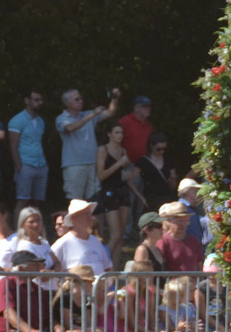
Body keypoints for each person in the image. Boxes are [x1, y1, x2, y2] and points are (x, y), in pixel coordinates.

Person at [54, 87, 122, 202]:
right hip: (74, 165)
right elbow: (70, 128)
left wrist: (115, 98)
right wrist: (92, 115)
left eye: (81, 98)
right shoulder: (62, 118)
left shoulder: (87, 114)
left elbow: (111, 112)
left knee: (93, 200)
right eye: (77, 99)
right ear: (67, 103)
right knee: (76, 201)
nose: (81, 101)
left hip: (92, 164)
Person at [94, 122, 137, 255]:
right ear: (109, 134)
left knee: (121, 235)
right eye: (117, 133)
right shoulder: (103, 150)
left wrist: (126, 174)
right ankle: (103, 262)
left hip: (122, 191)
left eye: (121, 133)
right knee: (115, 234)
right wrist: (119, 163)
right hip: (109, 192)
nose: (120, 136)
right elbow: (101, 175)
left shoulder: (123, 151)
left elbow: (123, 173)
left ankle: (115, 270)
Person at [7, 89, 48, 211]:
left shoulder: (41, 121)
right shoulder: (17, 120)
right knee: (22, 200)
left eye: (40, 100)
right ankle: (17, 229)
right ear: (27, 101)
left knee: (37, 201)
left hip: (41, 164)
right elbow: (13, 146)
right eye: (36, 100)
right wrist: (19, 167)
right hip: (26, 164)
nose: (39, 102)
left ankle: (37, 229)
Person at [52, 199, 112, 274]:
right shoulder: (62, 243)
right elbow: (48, 269)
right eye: (85, 214)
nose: (89, 217)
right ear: (73, 218)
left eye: (89, 213)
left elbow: (108, 267)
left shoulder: (96, 241)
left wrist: (106, 283)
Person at [135, 133, 178, 212]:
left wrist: (172, 180)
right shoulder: (143, 161)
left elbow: (173, 186)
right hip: (149, 200)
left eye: (164, 149)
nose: (161, 151)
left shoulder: (168, 160)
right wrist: (140, 197)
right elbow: (130, 180)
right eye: (159, 149)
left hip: (166, 199)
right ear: (151, 145)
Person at [156, 202, 203, 273]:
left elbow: (199, 265)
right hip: (172, 283)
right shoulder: (163, 241)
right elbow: (159, 267)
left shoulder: (193, 240)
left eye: (186, 221)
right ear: (169, 221)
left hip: (193, 283)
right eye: (179, 221)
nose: (183, 224)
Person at [117, 96, 156, 163]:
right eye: (144, 107)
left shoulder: (149, 126)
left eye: (149, 107)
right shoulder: (124, 121)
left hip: (146, 164)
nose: (148, 109)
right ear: (136, 108)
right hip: (127, 165)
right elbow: (115, 143)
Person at [175, 178, 208, 247]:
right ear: (189, 192)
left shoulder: (190, 208)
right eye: (197, 191)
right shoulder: (180, 209)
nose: (200, 194)